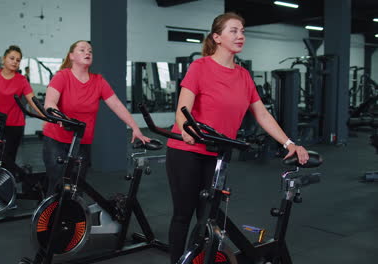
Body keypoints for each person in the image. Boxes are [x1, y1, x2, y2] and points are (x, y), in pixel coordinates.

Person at [165, 13, 310, 263]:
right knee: (183, 214)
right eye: (233, 30)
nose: (240, 35)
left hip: (219, 153)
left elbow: (262, 114)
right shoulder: (200, 67)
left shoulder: (243, 75)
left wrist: (289, 143)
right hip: (186, 150)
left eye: (242, 30)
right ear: (217, 37)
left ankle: (199, 260)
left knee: (208, 217)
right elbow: (183, 108)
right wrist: (186, 129)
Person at [42, 40, 149, 196]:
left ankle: (73, 219)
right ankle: (51, 219)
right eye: (82, 50)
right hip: (56, 139)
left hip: (81, 142)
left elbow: (117, 105)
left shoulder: (98, 81)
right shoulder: (62, 76)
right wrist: (59, 117)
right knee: (57, 184)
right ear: (71, 56)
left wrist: (135, 127)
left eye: (90, 51)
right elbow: (50, 103)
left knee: (76, 187)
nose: (88, 53)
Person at [0, 45, 40, 178]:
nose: (15, 62)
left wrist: (45, 115)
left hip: (15, 124)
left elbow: (32, 100)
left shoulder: (22, 80)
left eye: (18, 60)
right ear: (4, 59)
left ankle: (6, 188)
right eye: (12, 58)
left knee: (9, 158)